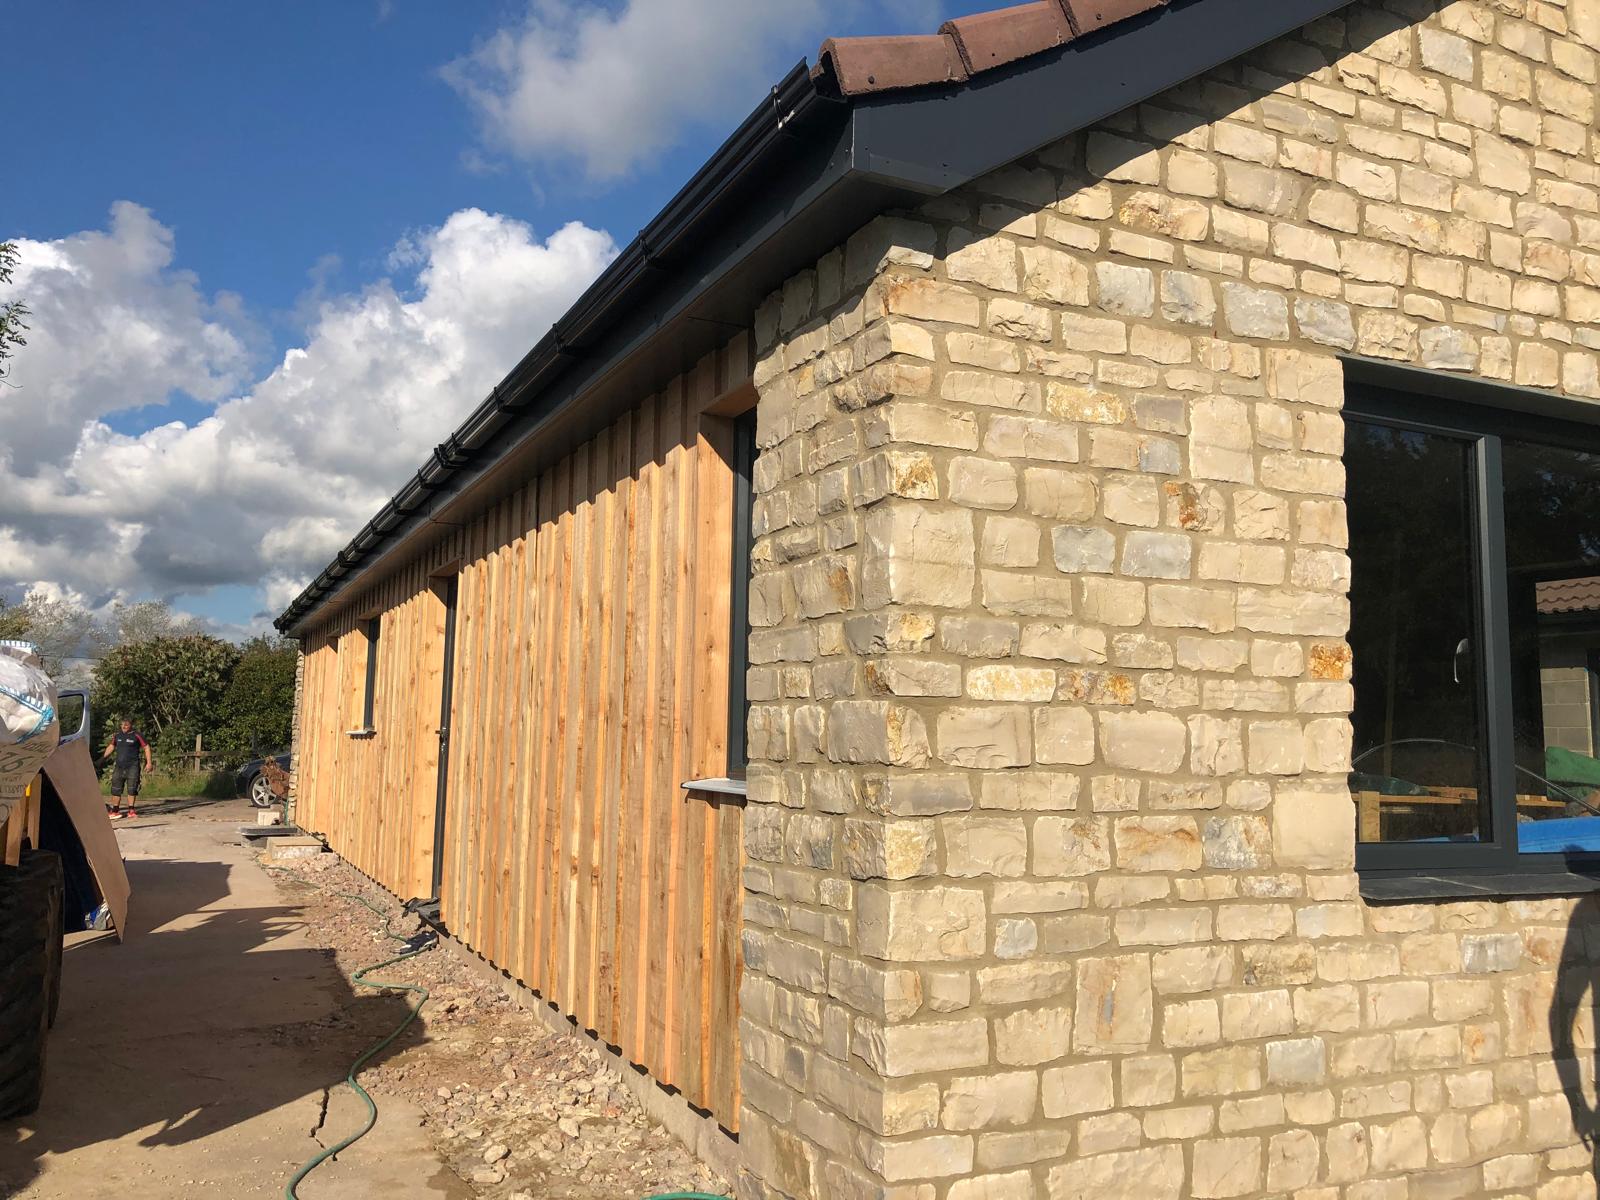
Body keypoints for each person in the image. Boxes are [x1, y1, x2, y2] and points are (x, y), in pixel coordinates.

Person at [101, 718, 152, 820]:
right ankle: (115, 810)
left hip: (132, 765)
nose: (123, 727)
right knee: (116, 788)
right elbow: (111, 746)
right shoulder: (117, 736)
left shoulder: (137, 735)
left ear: (131, 725)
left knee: (132, 788)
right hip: (119, 766)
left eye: (126, 725)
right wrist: (102, 759)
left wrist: (149, 763)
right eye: (122, 725)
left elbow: (146, 747)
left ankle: (131, 811)